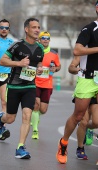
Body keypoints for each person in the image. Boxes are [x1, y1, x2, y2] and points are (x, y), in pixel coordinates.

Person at [0, 18, 44, 159]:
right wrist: (19, 63)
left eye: (38, 27)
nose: (37, 30)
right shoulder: (17, 45)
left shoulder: (40, 48)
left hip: (30, 86)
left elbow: (38, 62)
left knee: (27, 116)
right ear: (26, 29)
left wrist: (39, 68)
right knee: (10, 119)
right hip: (14, 86)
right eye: (34, 27)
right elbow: (2, 60)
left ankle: (20, 147)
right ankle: (1, 119)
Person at [56, 1, 98, 164]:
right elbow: (77, 50)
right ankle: (64, 143)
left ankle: (86, 132)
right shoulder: (89, 29)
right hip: (87, 79)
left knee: (96, 121)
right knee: (79, 116)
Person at [31, 31, 61, 139]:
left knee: (43, 110)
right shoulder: (35, 51)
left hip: (47, 84)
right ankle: (35, 130)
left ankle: (36, 117)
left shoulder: (54, 53)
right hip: (35, 83)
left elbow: (59, 66)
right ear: (39, 39)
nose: (45, 40)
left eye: (47, 38)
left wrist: (55, 69)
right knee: (36, 105)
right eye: (43, 38)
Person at [68, 55, 98, 160]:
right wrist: (75, 69)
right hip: (84, 88)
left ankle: (88, 129)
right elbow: (71, 67)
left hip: (96, 88)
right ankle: (80, 148)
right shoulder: (82, 51)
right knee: (84, 121)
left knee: (96, 122)